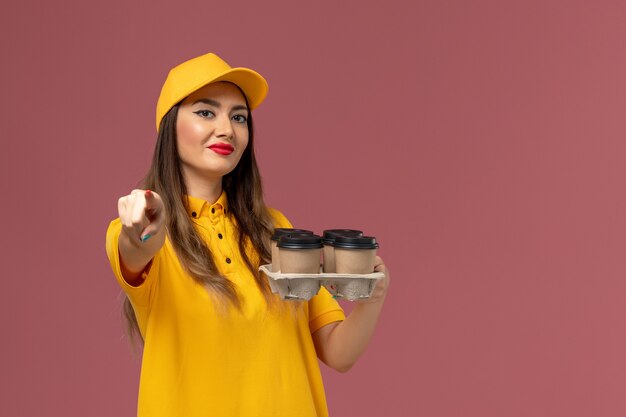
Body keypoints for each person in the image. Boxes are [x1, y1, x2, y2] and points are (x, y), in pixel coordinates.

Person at [105, 52, 390, 417]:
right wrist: (142, 229)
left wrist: (373, 296)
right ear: (169, 126)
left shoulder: (277, 230)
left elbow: (338, 353)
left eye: (238, 117)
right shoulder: (143, 230)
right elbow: (137, 247)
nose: (227, 128)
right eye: (206, 112)